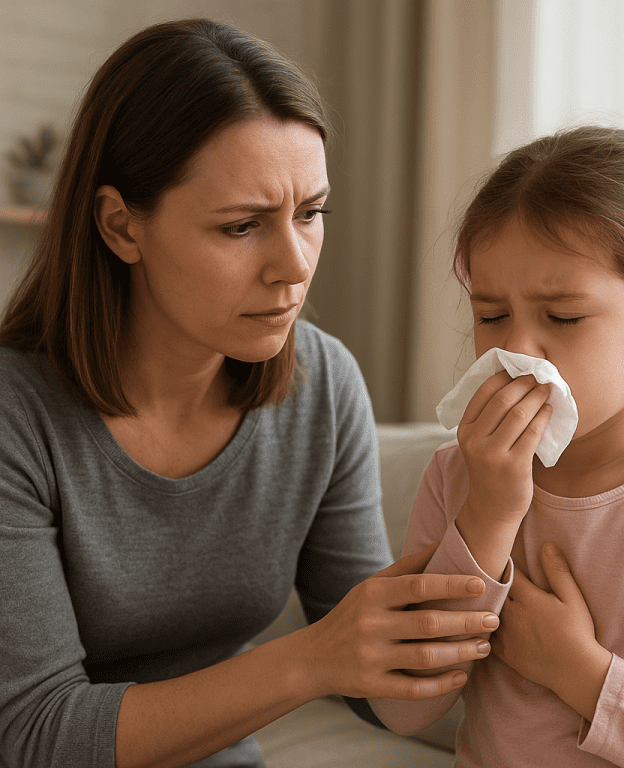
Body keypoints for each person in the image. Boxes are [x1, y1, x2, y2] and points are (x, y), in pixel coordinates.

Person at [0, 19, 499, 768]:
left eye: (310, 213)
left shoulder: (322, 385)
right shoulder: (17, 415)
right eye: (241, 226)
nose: (294, 265)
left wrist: (496, 505)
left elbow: (380, 686)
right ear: (119, 225)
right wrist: (310, 660)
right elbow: (39, 736)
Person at [370, 125, 624, 766]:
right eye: (492, 315)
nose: (519, 352)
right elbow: (404, 709)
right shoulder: (458, 476)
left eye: (563, 318)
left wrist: (580, 671)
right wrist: (489, 515)